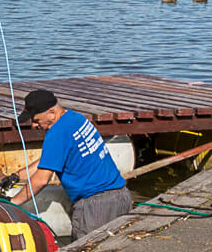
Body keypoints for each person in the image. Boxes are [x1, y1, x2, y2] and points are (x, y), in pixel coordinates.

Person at [17, 89, 131, 237]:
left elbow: (41, 180)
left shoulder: (56, 133)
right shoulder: (76, 119)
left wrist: (12, 201)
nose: (33, 125)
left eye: (36, 120)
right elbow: (51, 159)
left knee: (86, 251)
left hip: (95, 207)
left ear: (51, 113)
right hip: (121, 196)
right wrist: (17, 176)